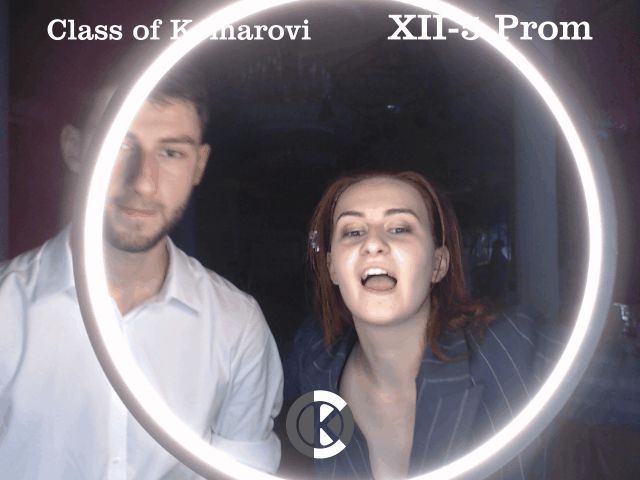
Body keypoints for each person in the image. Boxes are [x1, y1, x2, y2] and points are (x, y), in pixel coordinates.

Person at [0, 64, 283, 478]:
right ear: (75, 149)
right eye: (118, 144)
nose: (144, 183)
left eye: (171, 153)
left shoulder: (237, 326)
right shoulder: (6, 308)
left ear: (199, 164)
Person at [289, 171, 553, 479]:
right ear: (333, 268)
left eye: (399, 228)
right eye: (354, 232)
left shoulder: (515, 349)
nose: (373, 244)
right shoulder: (314, 358)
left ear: (438, 264)